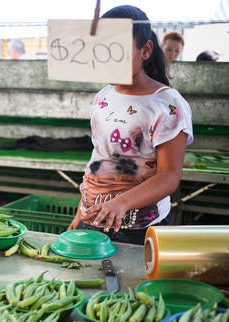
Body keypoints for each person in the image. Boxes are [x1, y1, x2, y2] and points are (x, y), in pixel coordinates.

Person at [69, 5, 193, 245]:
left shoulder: (167, 105)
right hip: (92, 220)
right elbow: (98, 159)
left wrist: (121, 203)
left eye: (118, 51)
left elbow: (169, 176)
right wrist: (80, 211)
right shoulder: (103, 96)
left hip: (138, 228)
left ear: (145, 50)